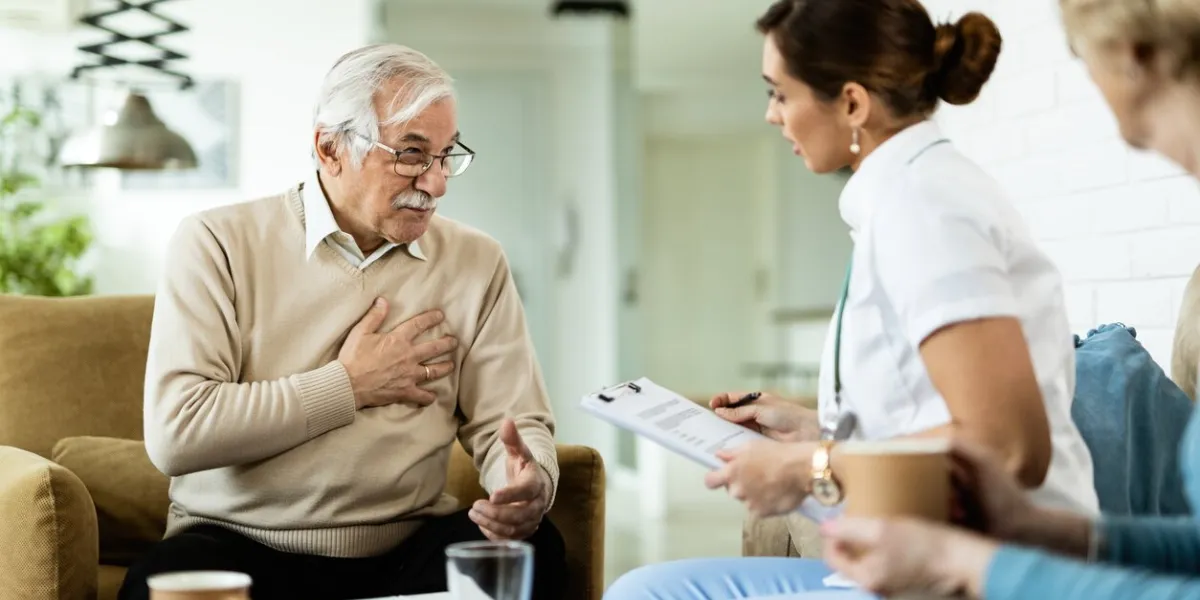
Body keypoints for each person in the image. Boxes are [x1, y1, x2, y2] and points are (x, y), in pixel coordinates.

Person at [604, 0, 1098, 596]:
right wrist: (817, 431)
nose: (770, 114)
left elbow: (1009, 446)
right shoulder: (905, 197)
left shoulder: (924, 209)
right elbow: (931, 411)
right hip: (930, 558)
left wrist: (807, 466)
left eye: (779, 94)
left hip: (986, 574)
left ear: (852, 104)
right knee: (645, 585)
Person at [119, 43, 565, 600]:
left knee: (537, 547)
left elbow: (513, 423)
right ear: (330, 148)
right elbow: (177, 433)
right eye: (411, 154)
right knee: (159, 583)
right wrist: (349, 386)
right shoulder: (215, 242)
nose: (437, 183)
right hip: (243, 543)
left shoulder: (477, 261)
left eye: (446, 154)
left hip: (407, 547)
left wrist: (526, 482)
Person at [820, 0, 1200, 598]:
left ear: (1136, 58)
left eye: (1078, 57)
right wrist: (1041, 530)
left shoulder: (926, 202)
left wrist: (968, 564)